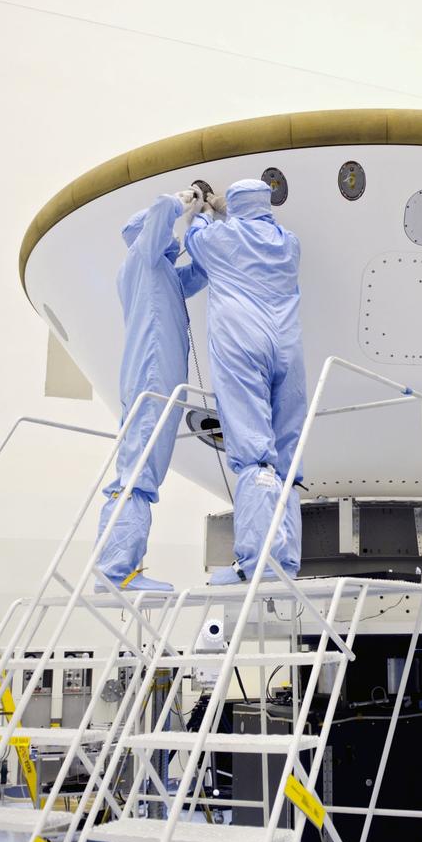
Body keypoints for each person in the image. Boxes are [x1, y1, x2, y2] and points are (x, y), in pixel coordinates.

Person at [184, 180, 305, 584]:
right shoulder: (289, 243)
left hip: (242, 345)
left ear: (235, 206)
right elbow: (255, 230)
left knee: (254, 453)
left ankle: (256, 564)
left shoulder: (220, 238)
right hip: (286, 351)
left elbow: (195, 237)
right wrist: (231, 210)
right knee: (286, 458)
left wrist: (204, 206)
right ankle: (286, 561)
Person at [94, 190, 208, 593]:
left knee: (144, 470)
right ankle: (115, 571)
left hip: (160, 380)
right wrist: (185, 200)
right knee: (138, 472)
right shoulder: (141, 259)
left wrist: (203, 223)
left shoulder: (162, 272)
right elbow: (160, 210)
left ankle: (122, 569)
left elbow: (201, 272)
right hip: (150, 375)